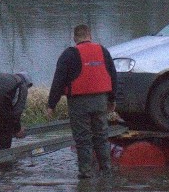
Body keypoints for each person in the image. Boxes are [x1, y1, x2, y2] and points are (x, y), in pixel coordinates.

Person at [45, 24, 117, 179]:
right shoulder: (103, 51)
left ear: (75, 38)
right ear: (89, 35)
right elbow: (113, 76)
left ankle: (86, 172)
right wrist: (112, 99)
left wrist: (51, 105)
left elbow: (58, 80)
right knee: (102, 136)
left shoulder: (69, 54)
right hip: (100, 100)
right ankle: (106, 170)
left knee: (83, 138)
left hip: (79, 103)